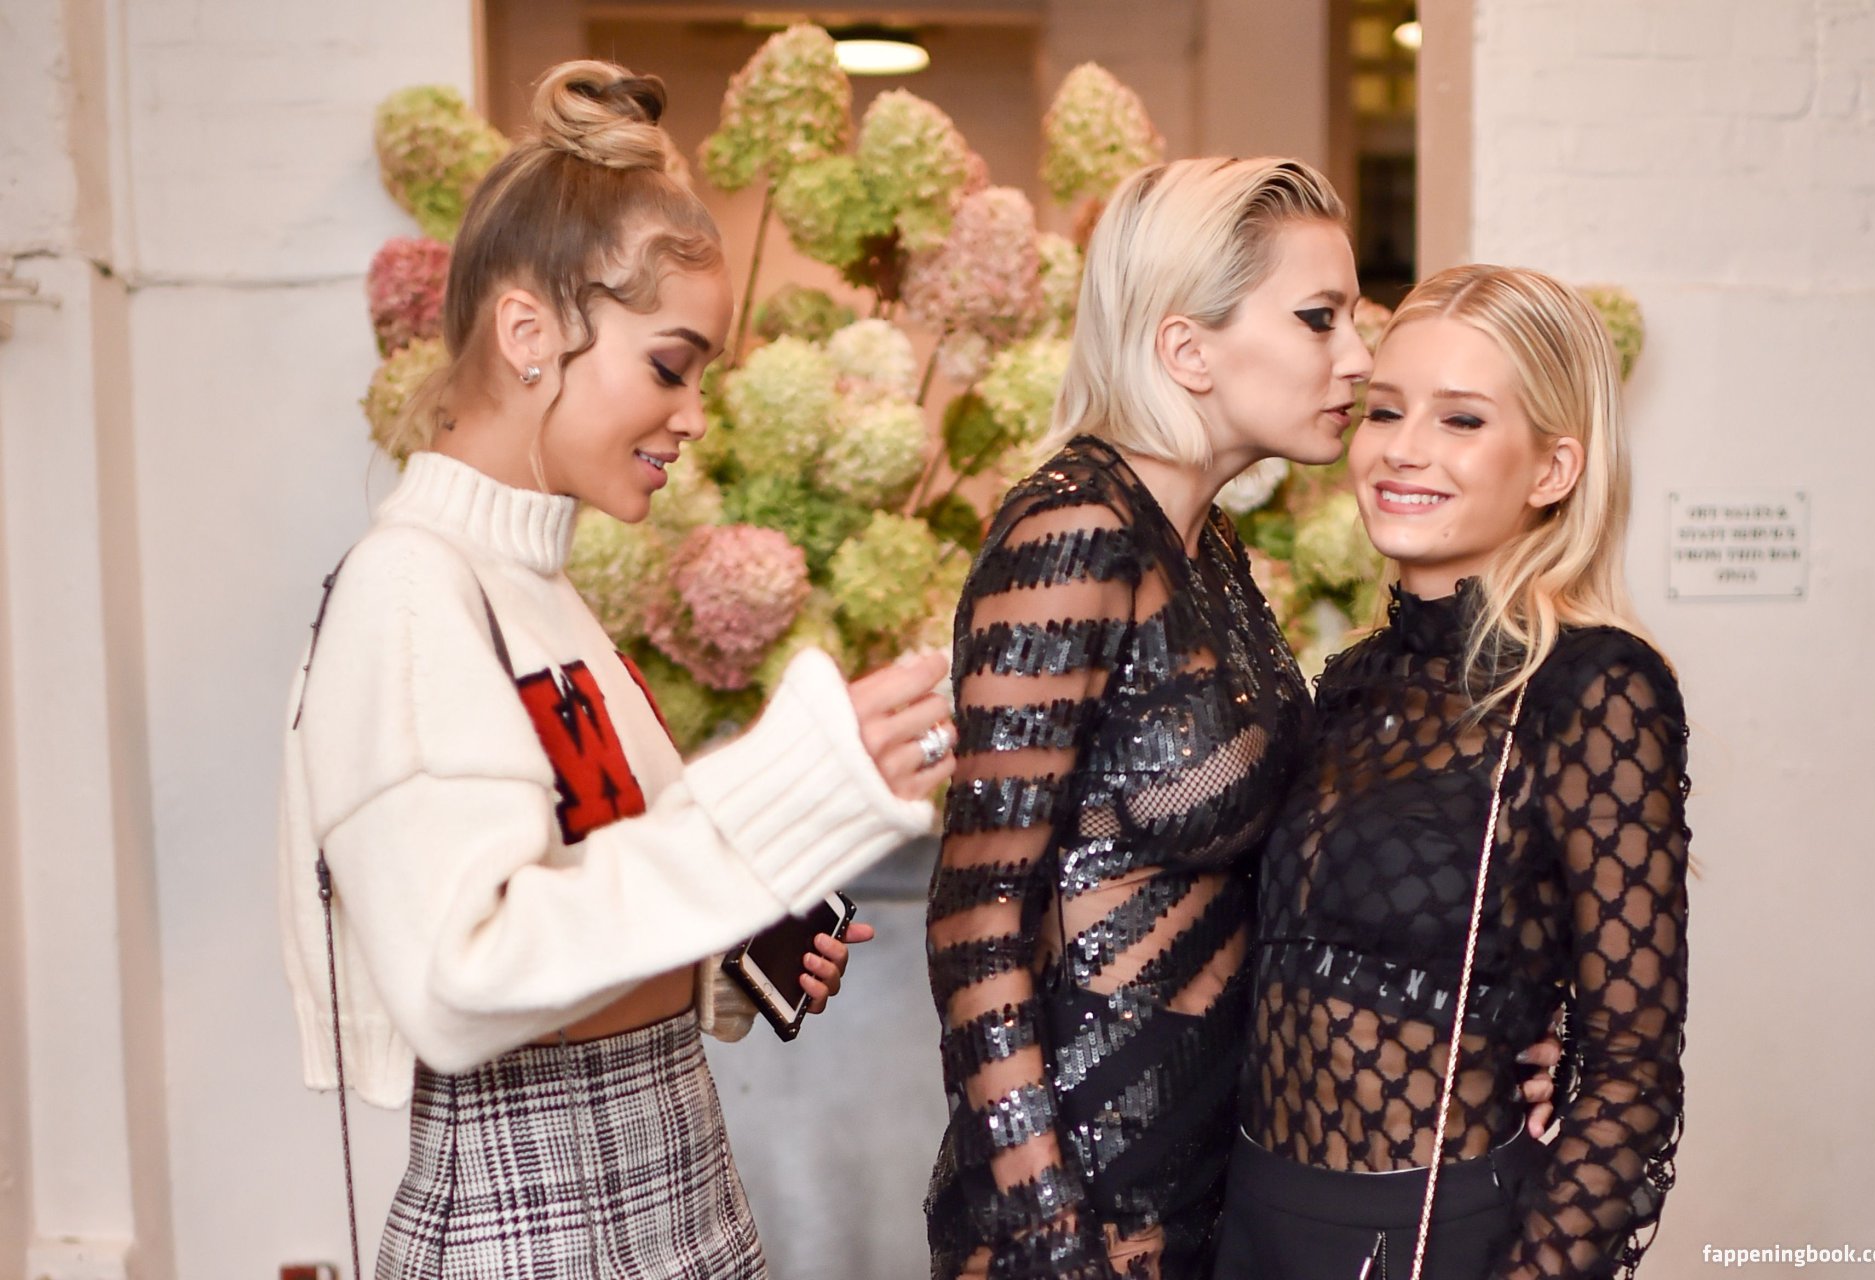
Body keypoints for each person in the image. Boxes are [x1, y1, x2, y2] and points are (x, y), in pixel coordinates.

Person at [276, 60, 954, 1279]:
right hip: (534, 1226)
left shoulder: (537, 590)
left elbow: (580, 910)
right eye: (670, 364)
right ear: (528, 334)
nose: (694, 413)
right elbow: (459, 975)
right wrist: (771, 802)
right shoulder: (410, 588)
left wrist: (737, 948)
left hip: (669, 1197)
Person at [921, 156, 1373, 1280]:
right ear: (1187, 349)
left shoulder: (1203, 541)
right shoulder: (1073, 531)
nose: (1358, 356)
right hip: (1082, 1203)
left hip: (1206, 1183)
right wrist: (1050, 1233)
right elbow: (976, 921)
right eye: (1319, 317)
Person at [1216, 265, 1690, 1280]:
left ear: (1553, 468)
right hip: (1247, 1214)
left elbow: (1632, 1073)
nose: (1403, 447)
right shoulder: (1351, 681)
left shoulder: (1594, 686)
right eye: (1385, 409)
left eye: (1462, 419)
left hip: (1431, 1231)